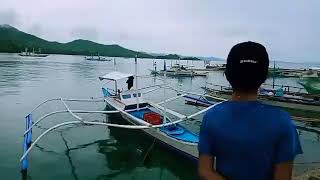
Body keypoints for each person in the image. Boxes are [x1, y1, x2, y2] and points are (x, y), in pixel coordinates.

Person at [198, 41, 302, 180]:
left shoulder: (211, 116)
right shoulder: (283, 121)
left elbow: (205, 170)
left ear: (227, 76)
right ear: (265, 77)